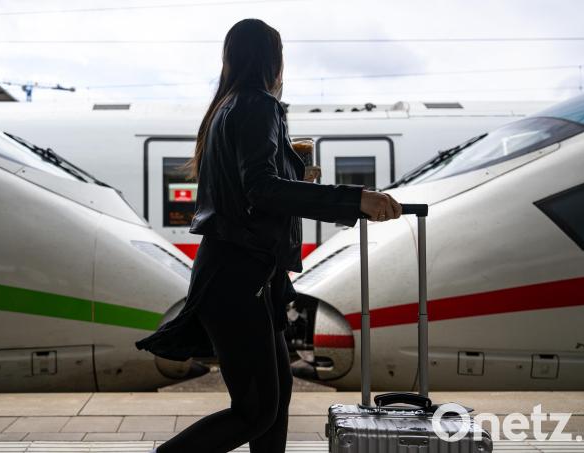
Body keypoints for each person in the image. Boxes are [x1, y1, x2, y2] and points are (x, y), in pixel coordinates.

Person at [135, 18, 402, 453]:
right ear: (273, 60)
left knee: (274, 404)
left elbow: (248, 189)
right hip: (240, 276)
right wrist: (356, 200)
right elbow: (260, 190)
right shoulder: (256, 104)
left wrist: (297, 176)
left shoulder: (226, 108)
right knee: (256, 409)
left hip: (250, 274)